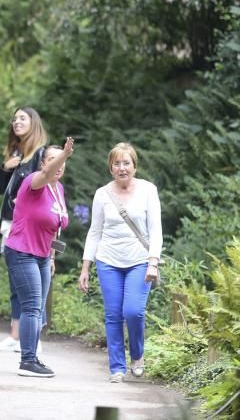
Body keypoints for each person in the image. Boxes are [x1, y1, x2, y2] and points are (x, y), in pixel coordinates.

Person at [78, 142, 163, 383]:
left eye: (127, 163)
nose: (122, 168)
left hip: (139, 260)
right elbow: (94, 232)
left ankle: (137, 355)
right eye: (117, 163)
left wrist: (153, 262)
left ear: (134, 166)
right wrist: (86, 267)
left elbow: (156, 230)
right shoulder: (102, 194)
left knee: (133, 311)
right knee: (113, 314)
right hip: (108, 260)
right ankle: (117, 367)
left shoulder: (148, 190)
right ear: (110, 167)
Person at [3, 139, 74, 377]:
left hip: (43, 256)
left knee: (39, 308)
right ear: (43, 163)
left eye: (62, 160)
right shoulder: (33, 183)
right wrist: (64, 154)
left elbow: (54, 227)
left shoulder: (59, 189)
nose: (59, 165)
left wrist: (52, 256)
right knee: (32, 307)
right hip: (22, 252)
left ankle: (33, 358)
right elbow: (46, 174)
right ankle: (28, 361)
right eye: (52, 159)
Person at [0, 106, 48, 352]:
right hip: (10, 225)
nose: (16, 122)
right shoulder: (17, 154)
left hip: (30, 227)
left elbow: (46, 190)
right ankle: (15, 334)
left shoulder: (40, 155)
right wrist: (6, 166)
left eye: (22, 118)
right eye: (14, 119)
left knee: (34, 283)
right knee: (17, 281)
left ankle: (34, 337)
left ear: (33, 123)